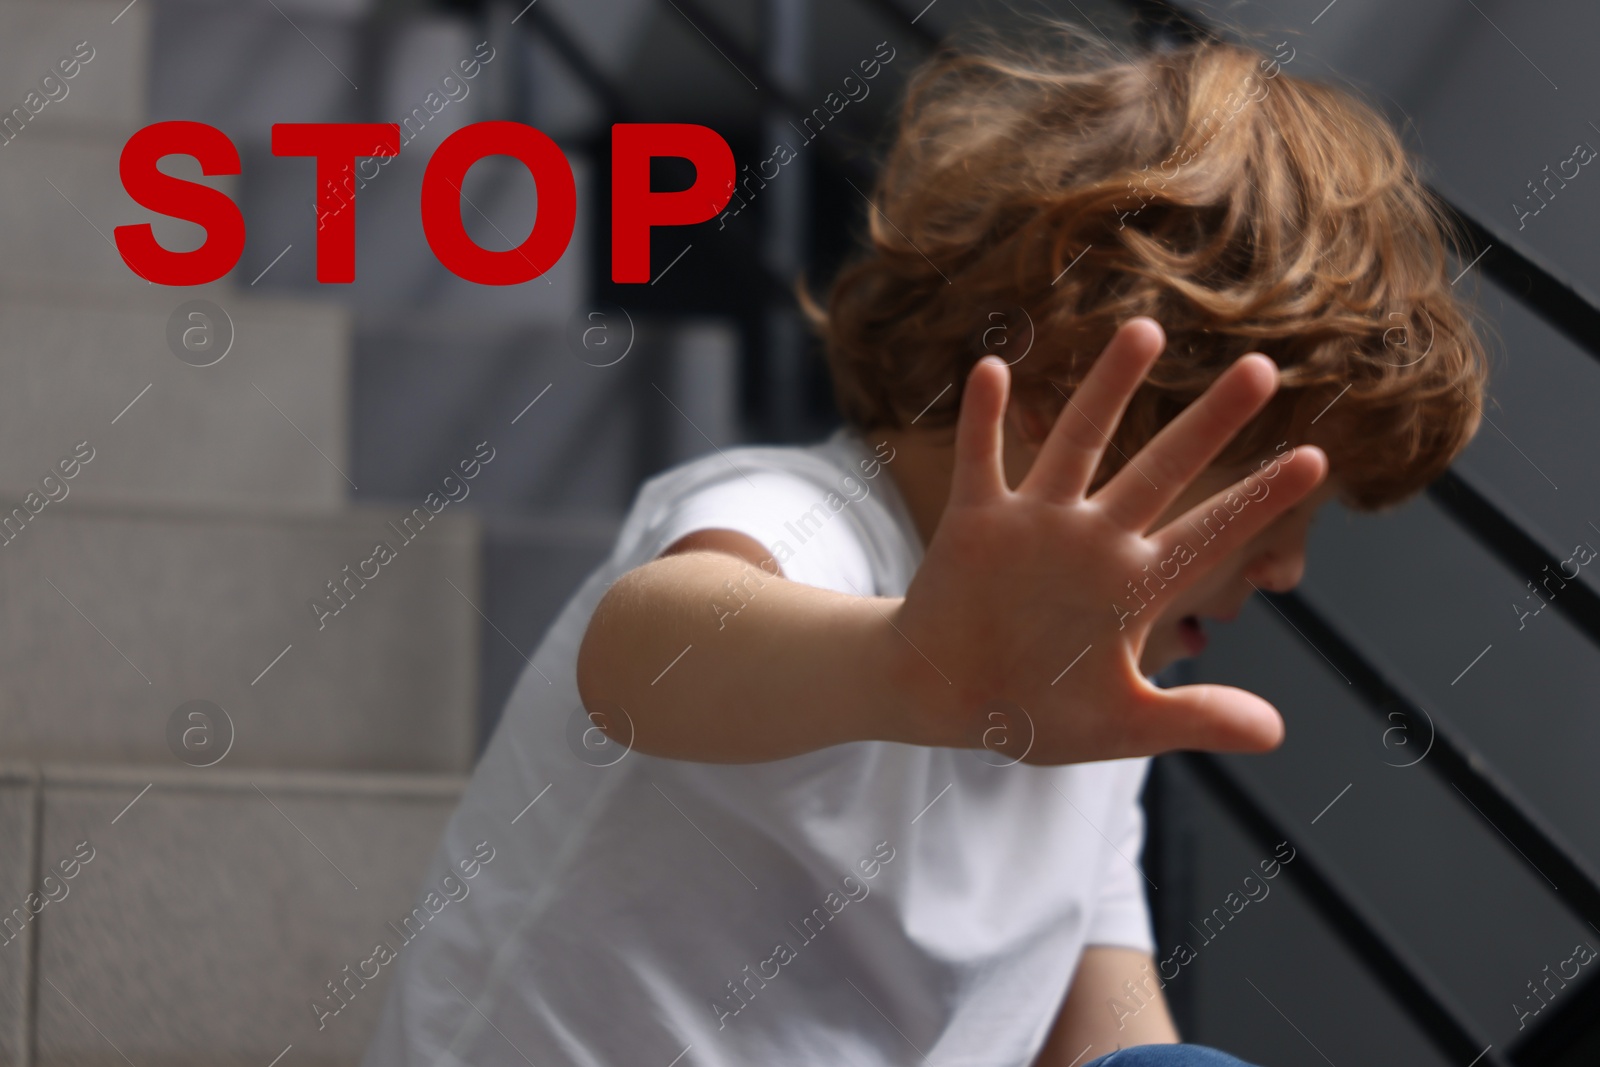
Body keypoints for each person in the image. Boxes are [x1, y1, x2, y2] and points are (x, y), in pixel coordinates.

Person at [360, 18, 1486, 1067]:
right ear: (1066, 392)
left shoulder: (1099, 694)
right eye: (1270, 505)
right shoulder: (798, 519)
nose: (1287, 568)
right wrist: (916, 664)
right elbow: (643, 657)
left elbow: (1099, 995)